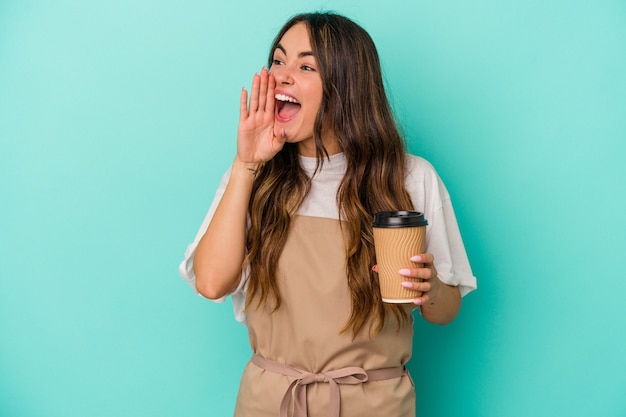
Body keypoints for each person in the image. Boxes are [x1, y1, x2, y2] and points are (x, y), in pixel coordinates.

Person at [179, 12, 477, 417]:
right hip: (271, 404)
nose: (282, 75)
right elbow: (211, 283)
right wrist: (245, 163)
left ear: (345, 88)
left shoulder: (409, 178)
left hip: (374, 405)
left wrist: (433, 289)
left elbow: (446, 311)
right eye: (279, 60)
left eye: (305, 66)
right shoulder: (252, 175)